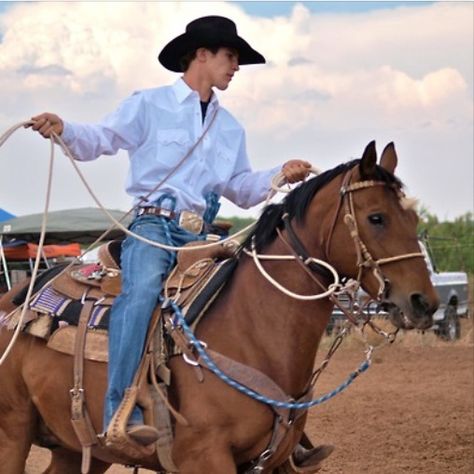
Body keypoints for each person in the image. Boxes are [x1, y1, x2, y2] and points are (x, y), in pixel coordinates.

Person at [29, 16, 312, 446]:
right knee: (140, 292)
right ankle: (120, 409)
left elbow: (239, 187)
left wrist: (279, 176)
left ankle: (274, 428)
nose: (236, 67)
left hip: (204, 239)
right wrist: (64, 129)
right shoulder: (149, 104)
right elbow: (102, 138)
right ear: (201, 54)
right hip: (153, 228)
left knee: (252, 297)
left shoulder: (230, 127)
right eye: (230, 56)